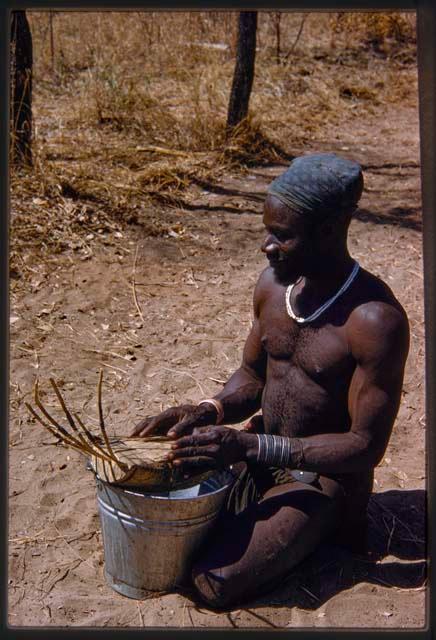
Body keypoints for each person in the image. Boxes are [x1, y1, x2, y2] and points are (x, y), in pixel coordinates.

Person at [131, 153, 410, 609]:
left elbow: (364, 446)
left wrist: (249, 448)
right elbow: (253, 376)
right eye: (267, 232)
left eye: (282, 236)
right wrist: (208, 409)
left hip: (321, 480)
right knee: (150, 509)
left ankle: (315, 534)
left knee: (211, 582)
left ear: (327, 232)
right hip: (257, 453)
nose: (266, 246)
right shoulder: (273, 287)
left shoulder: (374, 321)